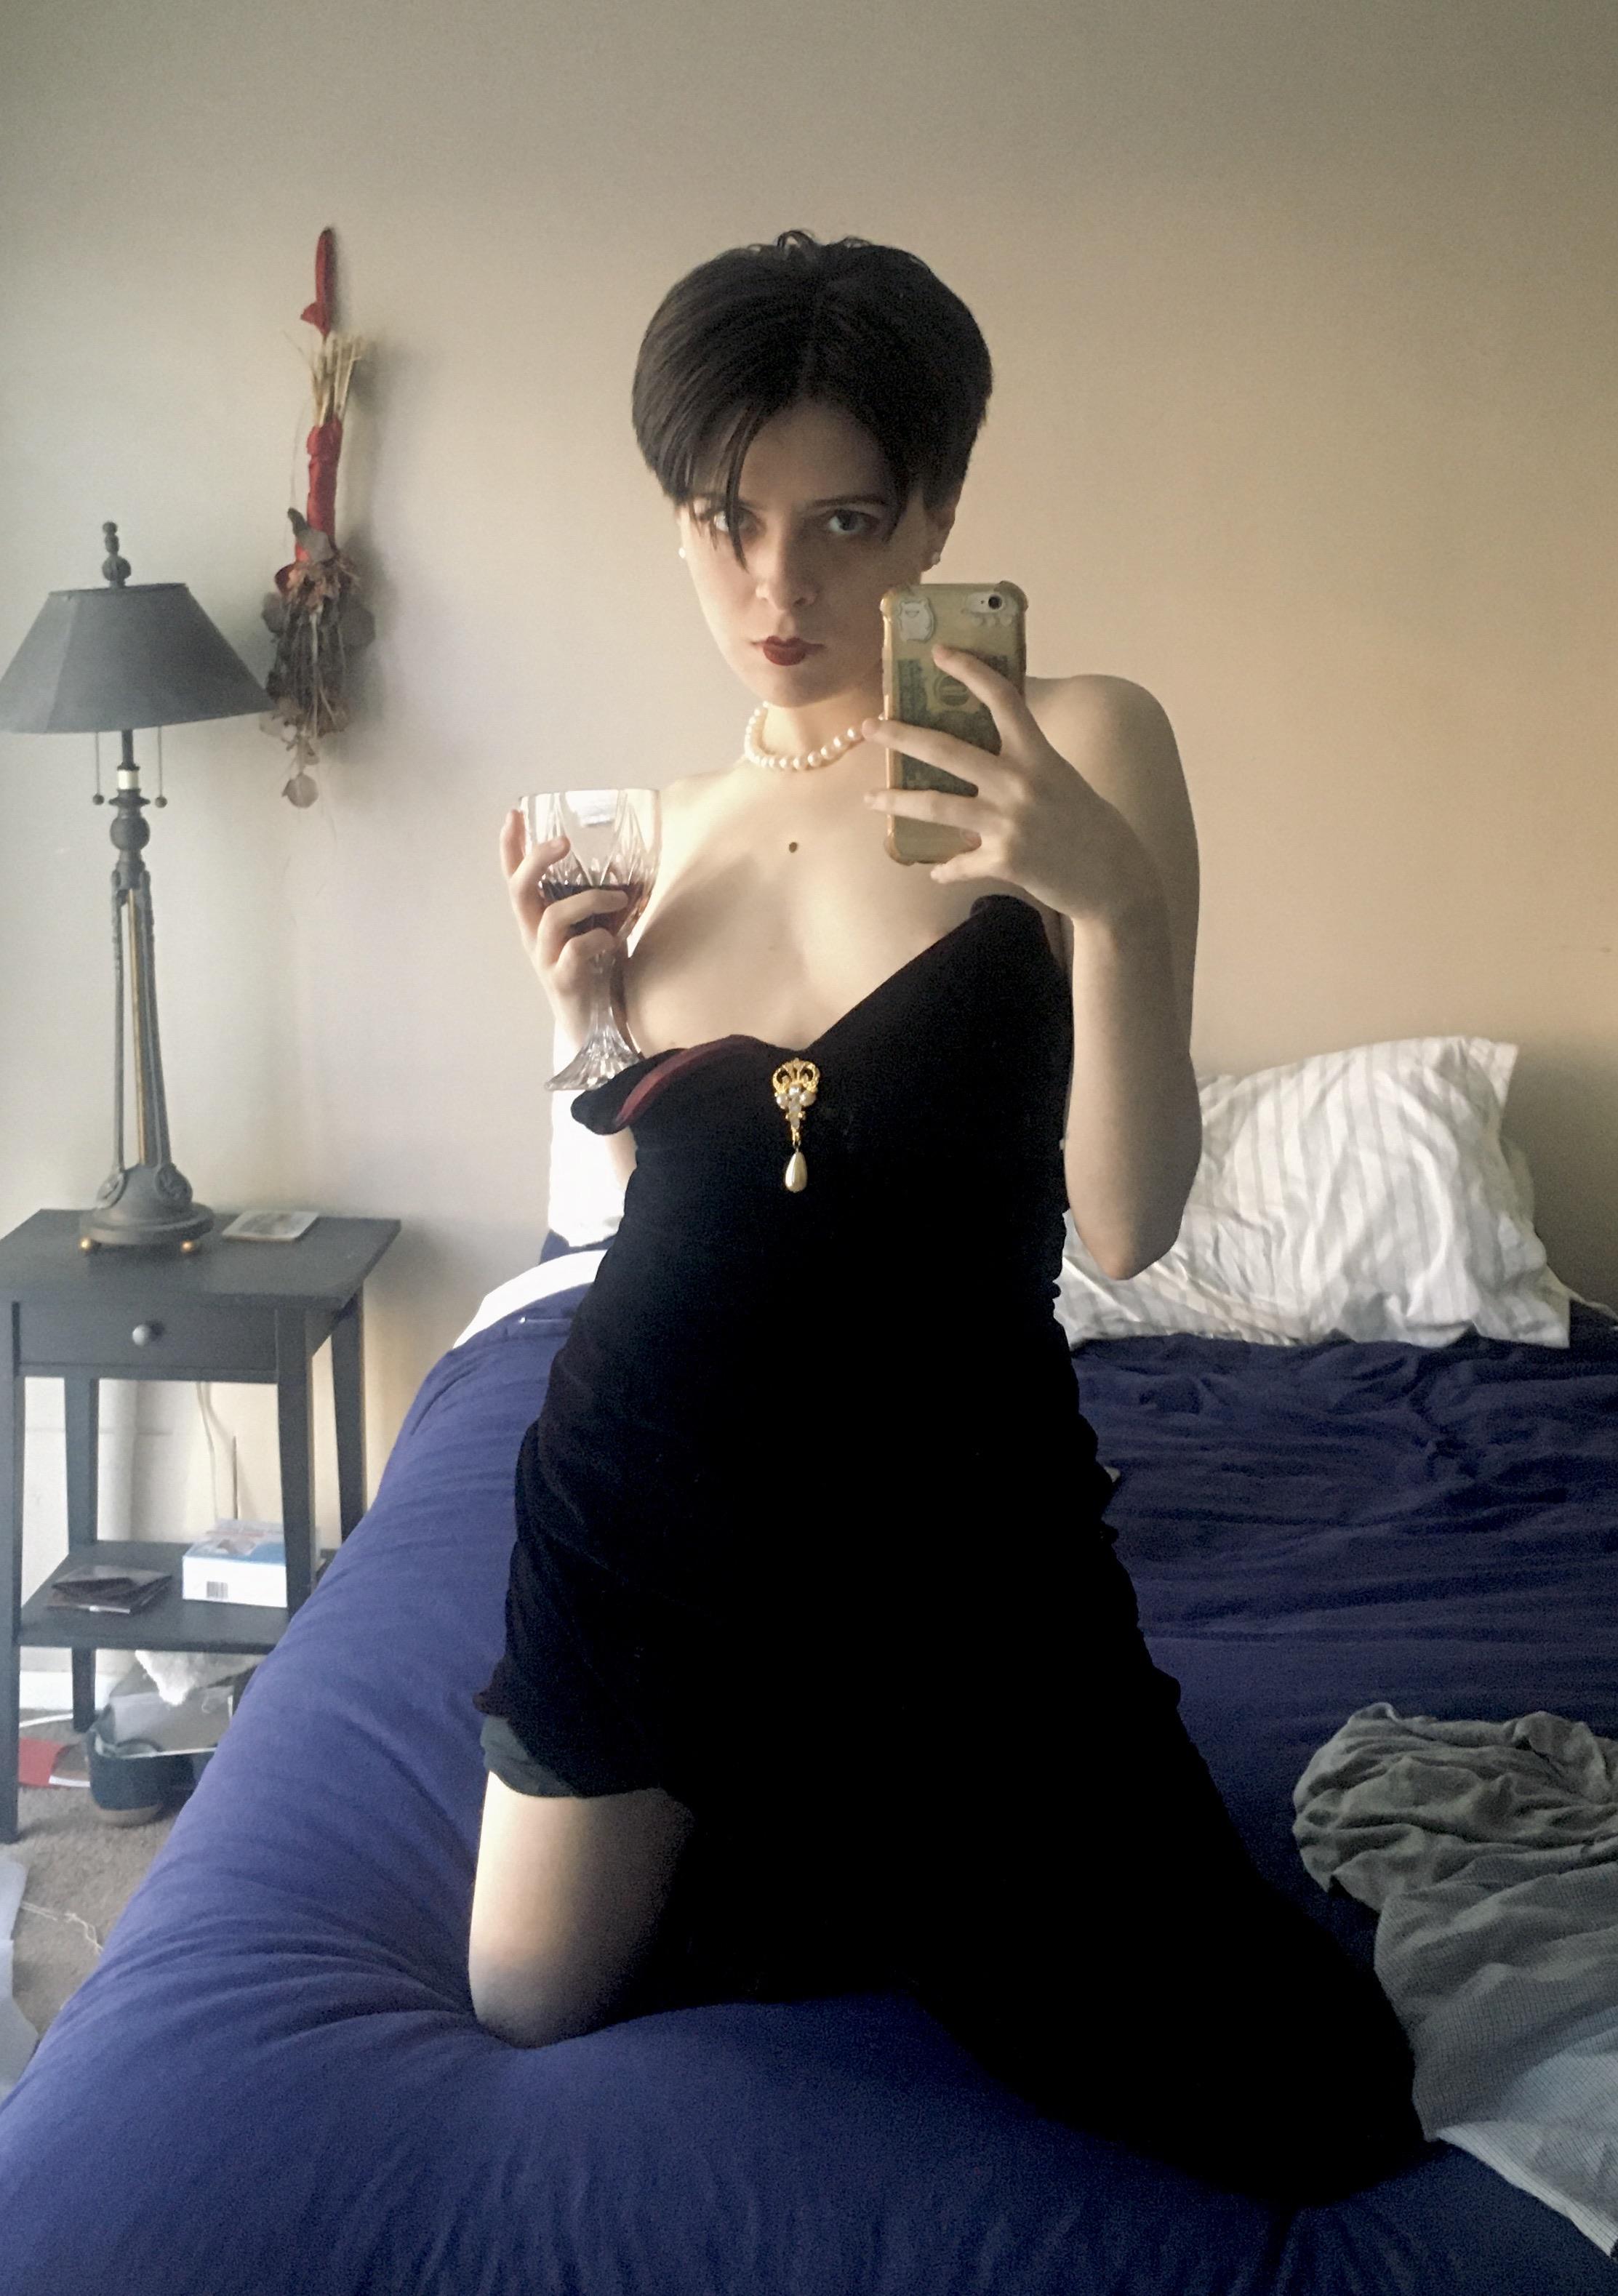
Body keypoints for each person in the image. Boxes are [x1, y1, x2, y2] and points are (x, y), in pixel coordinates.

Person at [466, 229, 1427, 2204]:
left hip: (949, 1540)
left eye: (841, 521)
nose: (778, 589)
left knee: (1294, 2107)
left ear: (936, 512)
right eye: (725, 523)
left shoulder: (1080, 739)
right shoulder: (668, 833)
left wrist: (1109, 898)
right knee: (528, 2007)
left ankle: (847, 1821)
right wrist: (584, 1028)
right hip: (640, 1516)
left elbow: (1130, 1221)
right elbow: (660, 1212)